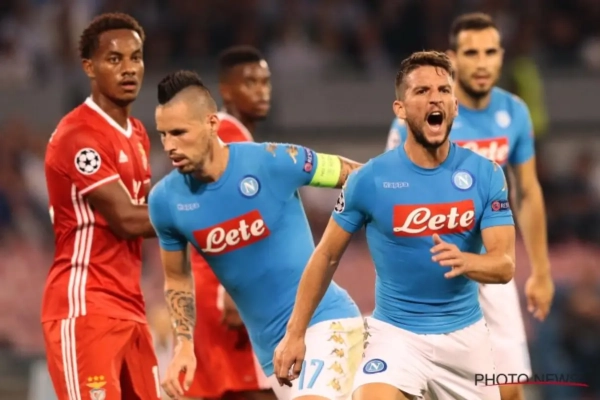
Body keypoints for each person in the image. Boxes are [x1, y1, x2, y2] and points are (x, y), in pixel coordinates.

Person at [275, 51, 515, 400]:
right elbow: (326, 255)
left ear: (455, 106)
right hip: (396, 336)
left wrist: (467, 261)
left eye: (444, 90)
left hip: (466, 341)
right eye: (422, 91)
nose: (435, 98)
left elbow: (504, 265)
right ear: (400, 109)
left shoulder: (486, 174)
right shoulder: (369, 179)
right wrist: (295, 333)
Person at [148, 70, 365, 400]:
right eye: (163, 135)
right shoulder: (165, 201)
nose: (169, 146)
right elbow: (177, 279)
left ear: (211, 123)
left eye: (179, 133)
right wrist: (184, 345)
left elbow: (359, 177)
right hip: (274, 354)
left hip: (325, 323)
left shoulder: (272, 161)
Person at [385, 13, 553, 400]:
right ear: (453, 58)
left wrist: (541, 271)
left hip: (491, 262)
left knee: (509, 389)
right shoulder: (426, 112)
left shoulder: (514, 112)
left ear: (501, 56)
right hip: (435, 265)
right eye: (471, 53)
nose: (482, 63)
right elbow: (392, 191)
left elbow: (528, 192)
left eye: (490, 52)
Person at [43, 12, 160, 400]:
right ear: (89, 67)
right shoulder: (79, 134)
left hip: (130, 306)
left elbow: (150, 214)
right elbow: (127, 220)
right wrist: (204, 213)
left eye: (136, 57)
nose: (129, 69)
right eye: (114, 59)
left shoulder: (138, 134)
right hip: (86, 305)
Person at [185, 46, 275, 400]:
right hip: (226, 289)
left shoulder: (228, 135)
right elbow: (223, 214)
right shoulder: (228, 137)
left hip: (213, 285)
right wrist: (233, 291)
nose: (261, 90)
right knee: (254, 391)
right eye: (250, 82)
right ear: (225, 90)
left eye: (265, 81)